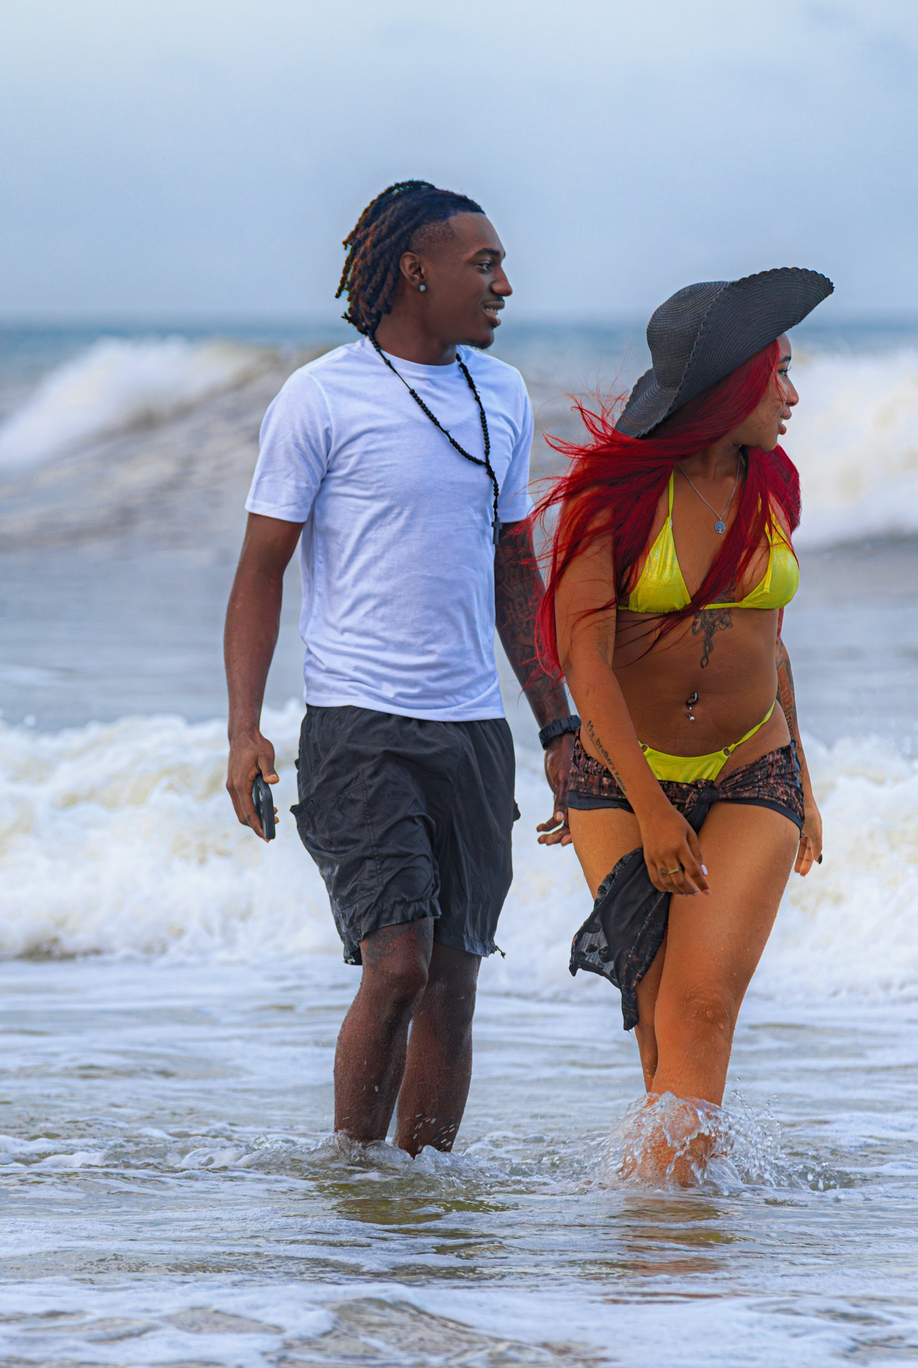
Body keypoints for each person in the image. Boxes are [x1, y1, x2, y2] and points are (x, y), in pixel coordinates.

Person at [222, 180, 578, 1155]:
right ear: (416, 271)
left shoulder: (501, 394)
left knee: (455, 983)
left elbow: (515, 572)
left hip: (472, 729)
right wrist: (244, 729)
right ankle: (350, 1181)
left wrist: (558, 726)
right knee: (398, 965)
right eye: (484, 264)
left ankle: (420, 1203)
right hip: (359, 726)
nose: (504, 284)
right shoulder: (320, 397)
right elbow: (259, 572)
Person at [534, 269, 833, 1185]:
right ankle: (671, 1228)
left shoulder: (772, 484)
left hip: (752, 766)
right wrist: (653, 808)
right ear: (731, 385)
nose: (792, 395)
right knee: (660, 1026)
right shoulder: (610, 499)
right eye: (779, 373)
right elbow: (586, 660)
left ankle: (673, 1237)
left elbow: (768, 643)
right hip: (623, 778)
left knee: (702, 1013)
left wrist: (802, 777)